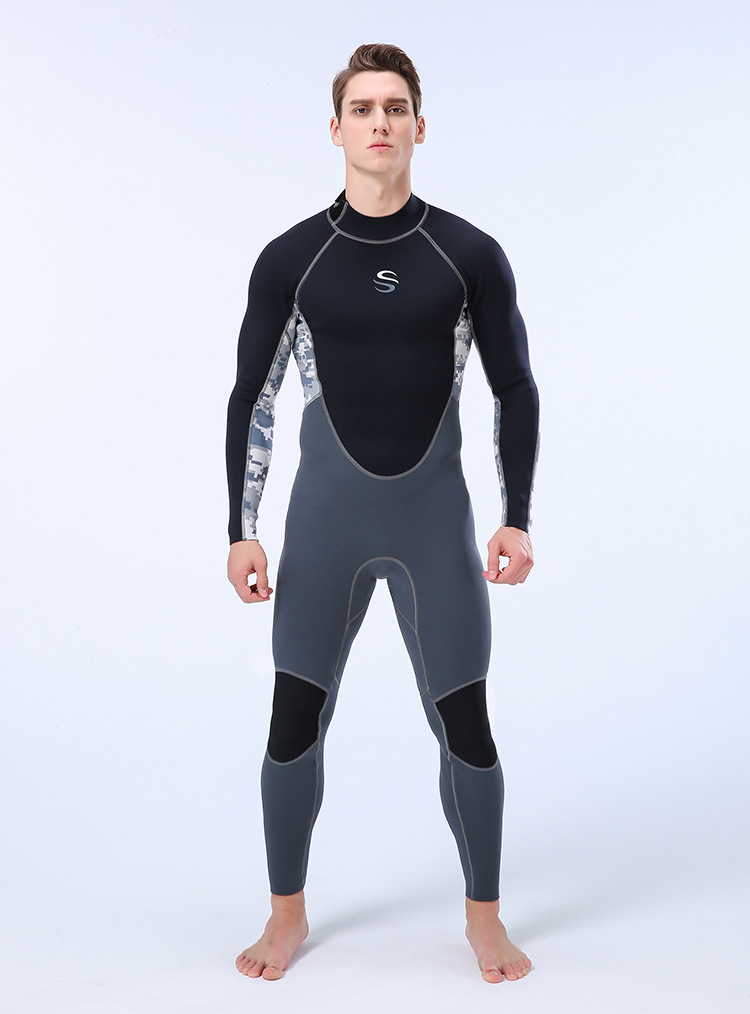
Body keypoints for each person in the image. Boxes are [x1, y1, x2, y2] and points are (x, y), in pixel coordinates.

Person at [225, 43, 539, 984]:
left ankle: (484, 919)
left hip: (434, 527)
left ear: (419, 127)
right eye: (362, 108)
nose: (379, 123)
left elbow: (515, 387)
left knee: (466, 723)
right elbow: (252, 396)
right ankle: (286, 916)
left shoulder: (467, 255)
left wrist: (517, 515)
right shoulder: (293, 259)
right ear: (336, 129)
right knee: (293, 718)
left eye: (395, 108)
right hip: (325, 527)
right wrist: (241, 528)